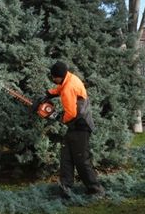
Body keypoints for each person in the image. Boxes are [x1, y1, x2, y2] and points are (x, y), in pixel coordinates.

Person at [42, 61, 104, 200]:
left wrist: (58, 117)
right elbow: (60, 88)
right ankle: (66, 188)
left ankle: (96, 189)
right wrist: (49, 94)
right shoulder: (69, 78)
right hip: (74, 126)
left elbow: (70, 113)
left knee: (82, 160)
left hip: (81, 126)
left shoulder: (68, 88)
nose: (53, 80)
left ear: (59, 76)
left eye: (54, 77)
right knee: (66, 157)